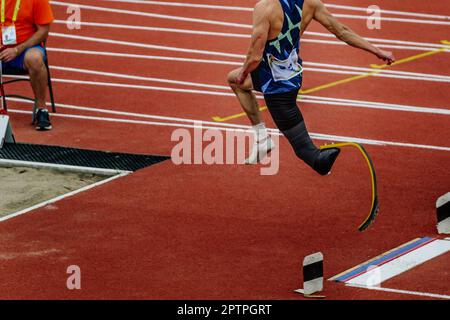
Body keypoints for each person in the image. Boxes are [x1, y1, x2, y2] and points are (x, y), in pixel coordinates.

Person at [228, 0, 395, 174]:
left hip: (276, 86)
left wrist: (243, 73)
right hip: (292, 77)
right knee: (233, 79)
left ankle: (317, 158)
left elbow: (255, 56)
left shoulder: (265, 8)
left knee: (306, 152)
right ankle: (262, 139)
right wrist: (377, 51)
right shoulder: (311, 3)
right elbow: (342, 31)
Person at [0, 0, 54, 131]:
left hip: (26, 49)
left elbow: (43, 31)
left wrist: (17, 50)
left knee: (35, 59)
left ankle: (41, 110)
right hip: (2, 49)